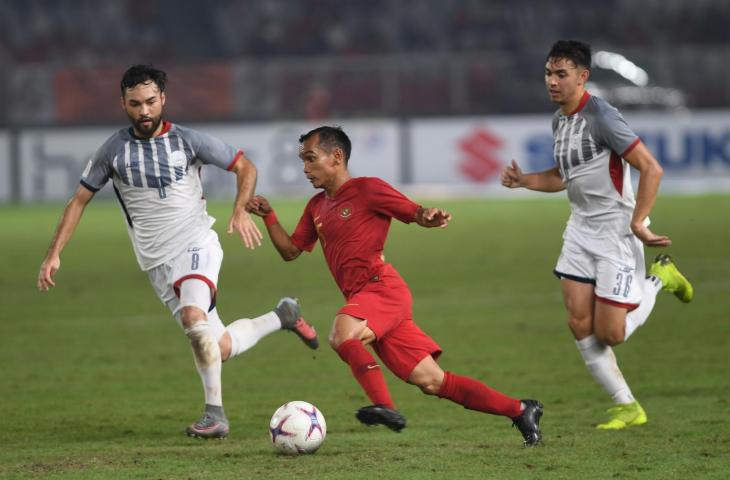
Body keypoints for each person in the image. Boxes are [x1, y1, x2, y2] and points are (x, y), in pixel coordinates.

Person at [36, 64, 319, 440]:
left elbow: (245, 166)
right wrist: (54, 252)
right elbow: (78, 201)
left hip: (196, 243)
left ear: (163, 99)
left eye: (151, 102)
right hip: (156, 264)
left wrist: (239, 207)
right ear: (123, 104)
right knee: (216, 345)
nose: (145, 111)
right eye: (135, 104)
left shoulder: (187, 141)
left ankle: (215, 416)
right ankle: (282, 316)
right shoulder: (113, 151)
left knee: (192, 316)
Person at [246, 126, 543, 446]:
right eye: (302, 160)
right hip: (369, 299)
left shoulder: (367, 189)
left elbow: (413, 212)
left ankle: (384, 406)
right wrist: (270, 216)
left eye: (310, 158)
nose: (304, 168)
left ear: (336, 157)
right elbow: (291, 251)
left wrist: (428, 216)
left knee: (342, 334)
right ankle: (520, 409)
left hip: (380, 289)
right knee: (432, 381)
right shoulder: (317, 206)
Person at [501, 40, 694, 429]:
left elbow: (651, 168)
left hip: (615, 232)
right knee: (577, 322)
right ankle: (627, 405)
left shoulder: (602, 116)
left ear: (582, 77)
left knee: (611, 334)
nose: (552, 82)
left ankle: (660, 279)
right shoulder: (559, 121)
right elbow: (562, 176)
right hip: (579, 229)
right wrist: (524, 181)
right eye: (548, 74)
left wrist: (640, 222)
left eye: (561, 74)